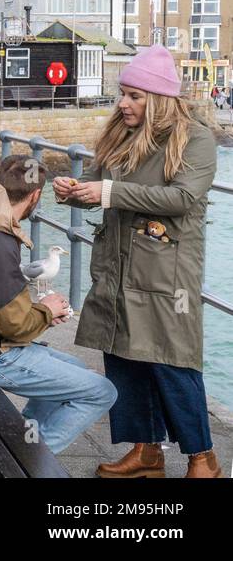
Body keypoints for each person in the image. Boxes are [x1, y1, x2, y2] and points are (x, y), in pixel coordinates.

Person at [53, 43, 221, 478]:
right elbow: (97, 186)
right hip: (117, 263)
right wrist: (75, 189)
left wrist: (108, 193)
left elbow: (183, 197)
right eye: (122, 94)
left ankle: (203, 459)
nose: (123, 103)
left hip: (167, 270)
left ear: (159, 98)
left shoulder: (196, 138)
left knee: (171, 359)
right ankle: (145, 452)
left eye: (134, 96)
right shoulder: (121, 133)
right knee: (122, 355)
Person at [0, 155, 116, 455]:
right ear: (35, 195)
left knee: (74, 367)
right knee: (101, 392)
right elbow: (14, 326)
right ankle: (30, 461)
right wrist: (47, 310)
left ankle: (23, 438)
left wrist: (44, 312)